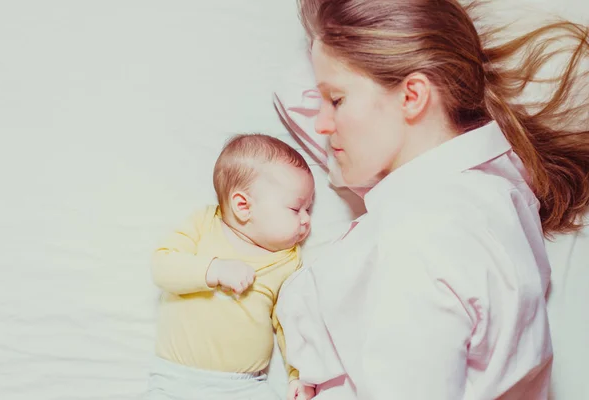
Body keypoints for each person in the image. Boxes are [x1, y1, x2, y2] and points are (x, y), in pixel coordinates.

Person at [274, 0, 589, 399]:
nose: (321, 123)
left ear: (413, 97)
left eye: (335, 100)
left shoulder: (418, 245)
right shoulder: (493, 176)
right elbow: (292, 90)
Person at [148, 133, 316, 400]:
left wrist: (298, 374)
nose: (307, 220)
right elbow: (163, 266)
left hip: (244, 386)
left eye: (309, 209)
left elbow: (290, 322)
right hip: (176, 380)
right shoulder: (204, 224)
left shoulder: (287, 261)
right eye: (296, 209)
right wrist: (214, 271)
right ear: (243, 206)